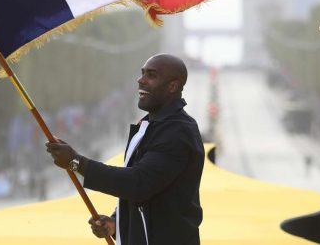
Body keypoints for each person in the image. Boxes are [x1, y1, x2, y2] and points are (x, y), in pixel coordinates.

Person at [46, 54, 204, 245]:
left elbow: (138, 183)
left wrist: (76, 162)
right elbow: (152, 194)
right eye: (142, 73)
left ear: (172, 86)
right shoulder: (150, 124)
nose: (141, 80)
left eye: (151, 75)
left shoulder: (177, 131)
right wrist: (116, 223)